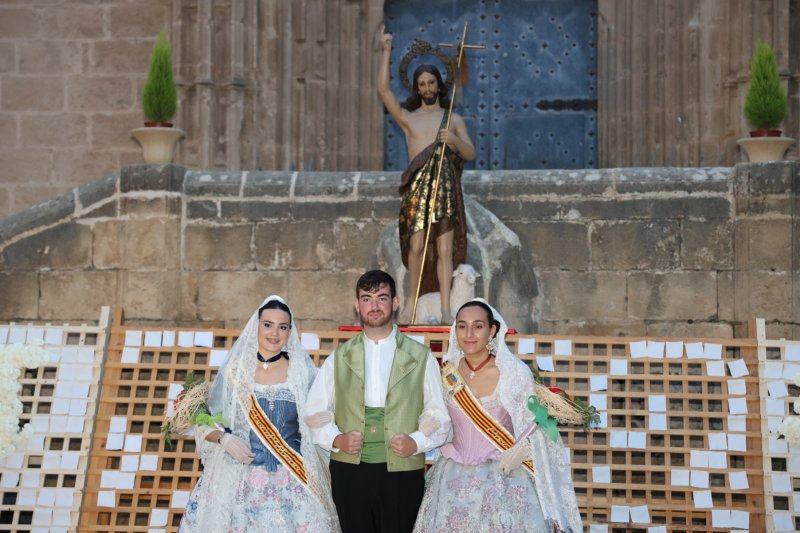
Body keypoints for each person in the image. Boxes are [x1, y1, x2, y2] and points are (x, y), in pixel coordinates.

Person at [413, 299, 583, 532]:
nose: (469, 333)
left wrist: (522, 449)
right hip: (451, 479)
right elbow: (442, 421)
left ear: (492, 330)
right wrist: (429, 424)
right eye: (462, 326)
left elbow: (534, 427)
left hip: (502, 477)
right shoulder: (446, 373)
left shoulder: (513, 373)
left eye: (478, 326)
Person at [304, 270, 451, 532]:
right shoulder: (339, 358)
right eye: (366, 298)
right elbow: (314, 413)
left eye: (381, 298)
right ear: (357, 305)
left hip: (402, 472)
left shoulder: (420, 356)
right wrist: (337, 439)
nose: (374, 306)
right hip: (350, 473)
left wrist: (416, 442)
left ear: (395, 303)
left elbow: (438, 415)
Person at [179, 296, 339, 533]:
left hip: (293, 481)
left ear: (289, 331)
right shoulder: (235, 373)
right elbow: (206, 420)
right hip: (241, 482)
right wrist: (224, 438)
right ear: (256, 326)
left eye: (282, 327)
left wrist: (320, 420)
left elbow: (321, 415)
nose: (274, 333)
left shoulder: (302, 372)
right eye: (268, 324)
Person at [378, 29, 476, 324]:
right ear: (416, 87)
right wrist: (385, 52)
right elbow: (384, 91)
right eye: (422, 83)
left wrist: (454, 141)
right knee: (417, 246)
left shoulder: (452, 118)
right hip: (418, 188)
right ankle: (411, 303)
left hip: (445, 188)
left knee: (445, 249)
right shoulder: (409, 119)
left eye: (432, 82)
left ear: (439, 84)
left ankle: (447, 309)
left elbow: (470, 153)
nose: (427, 87)